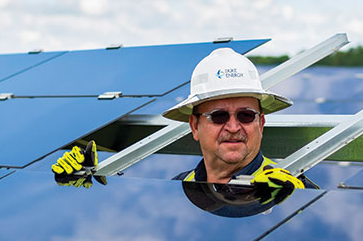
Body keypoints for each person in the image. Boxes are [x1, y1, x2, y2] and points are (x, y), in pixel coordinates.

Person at [52, 47, 313, 213]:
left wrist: (299, 207)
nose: (233, 127)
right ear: (195, 126)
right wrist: (84, 186)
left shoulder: (297, 190)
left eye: (246, 115)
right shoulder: (179, 190)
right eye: (218, 116)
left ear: (261, 123)